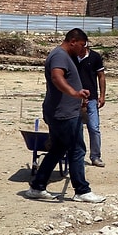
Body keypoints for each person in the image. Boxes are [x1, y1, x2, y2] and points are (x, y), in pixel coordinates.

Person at [24, 28, 106, 203]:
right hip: (63, 113)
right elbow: (56, 77)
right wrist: (74, 93)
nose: (83, 50)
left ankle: (37, 186)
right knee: (77, 149)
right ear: (73, 41)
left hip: (69, 111)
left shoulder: (66, 56)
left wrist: (79, 95)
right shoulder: (60, 56)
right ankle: (82, 190)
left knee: (59, 149)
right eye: (82, 45)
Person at [73, 40, 106, 167]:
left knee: (94, 128)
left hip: (91, 98)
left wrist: (102, 95)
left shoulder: (95, 57)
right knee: (77, 129)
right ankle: (78, 155)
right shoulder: (72, 57)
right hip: (75, 98)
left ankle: (95, 156)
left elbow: (101, 76)